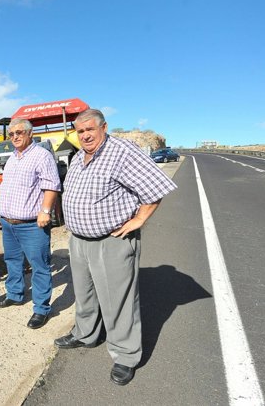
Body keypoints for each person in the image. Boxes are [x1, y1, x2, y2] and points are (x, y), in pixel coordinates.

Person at [56, 108, 177, 386]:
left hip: (111, 241)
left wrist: (139, 219)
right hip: (79, 240)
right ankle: (86, 334)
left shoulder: (122, 151)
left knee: (118, 301)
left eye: (90, 129)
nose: (84, 135)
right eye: (80, 130)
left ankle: (125, 355)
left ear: (104, 127)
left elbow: (155, 187)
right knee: (85, 295)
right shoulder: (78, 157)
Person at [0, 119, 60, 330]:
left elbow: (52, 186)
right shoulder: (12, 158)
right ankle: (15, 294)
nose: (14, 137)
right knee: (12, 260)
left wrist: (45, 211)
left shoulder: (41, 156)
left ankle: (41, 309)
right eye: (11, 134)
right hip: (9, 223)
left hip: (32, 224)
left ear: (30, 133)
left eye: (19, 132)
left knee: (39, 266)